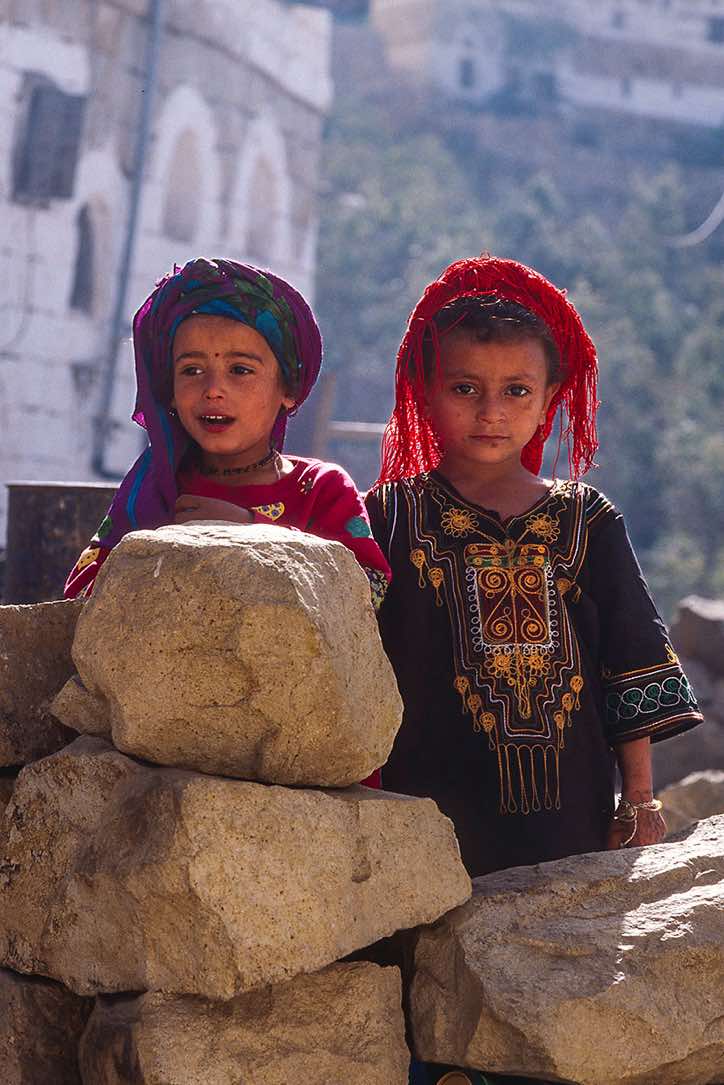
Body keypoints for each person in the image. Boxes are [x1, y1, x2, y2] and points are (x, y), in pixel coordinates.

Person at [366, 255, 703, 883]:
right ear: (426, 390)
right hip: (425, 810)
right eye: (465, 388)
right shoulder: (392, 513)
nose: (492, 411)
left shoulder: (587, 518)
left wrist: (639, 800)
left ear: (551, 395)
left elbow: (629, 660)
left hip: (570, 814)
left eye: (516, 390)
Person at [65, 258, 390, 610]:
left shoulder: (320, 489)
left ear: (289, 388)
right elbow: (80, 599)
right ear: (169, 390)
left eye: (239, 369)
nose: (213, 389)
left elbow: (369, 592)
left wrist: (256, 533)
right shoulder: (154, 492)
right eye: (192, 369)